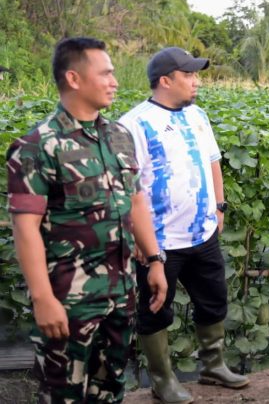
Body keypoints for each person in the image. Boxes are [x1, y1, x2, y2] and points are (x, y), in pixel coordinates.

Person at [6, 37, 168, 402]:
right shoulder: (37, 146)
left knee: (111, 389)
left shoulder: (119, 137)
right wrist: (42, 297)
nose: (114, 81)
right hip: (69, 302)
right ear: (74, 78)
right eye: (106, 73)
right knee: (64, 394)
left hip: (121, 294)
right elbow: (25, 227)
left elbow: (137, 201)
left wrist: (154, 259)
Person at [119, 47, 248, 404]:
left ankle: (213, 365)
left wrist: (219, 208)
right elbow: (129, 191)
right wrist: (145, 245)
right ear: (165, 81)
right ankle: (163, 379)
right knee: (155, 309)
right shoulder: (134, 124)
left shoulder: (197, 115)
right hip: (159, 241)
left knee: (213, 299)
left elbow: (213, 162)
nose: (196, 81)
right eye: (189, 75)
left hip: (202, 231)